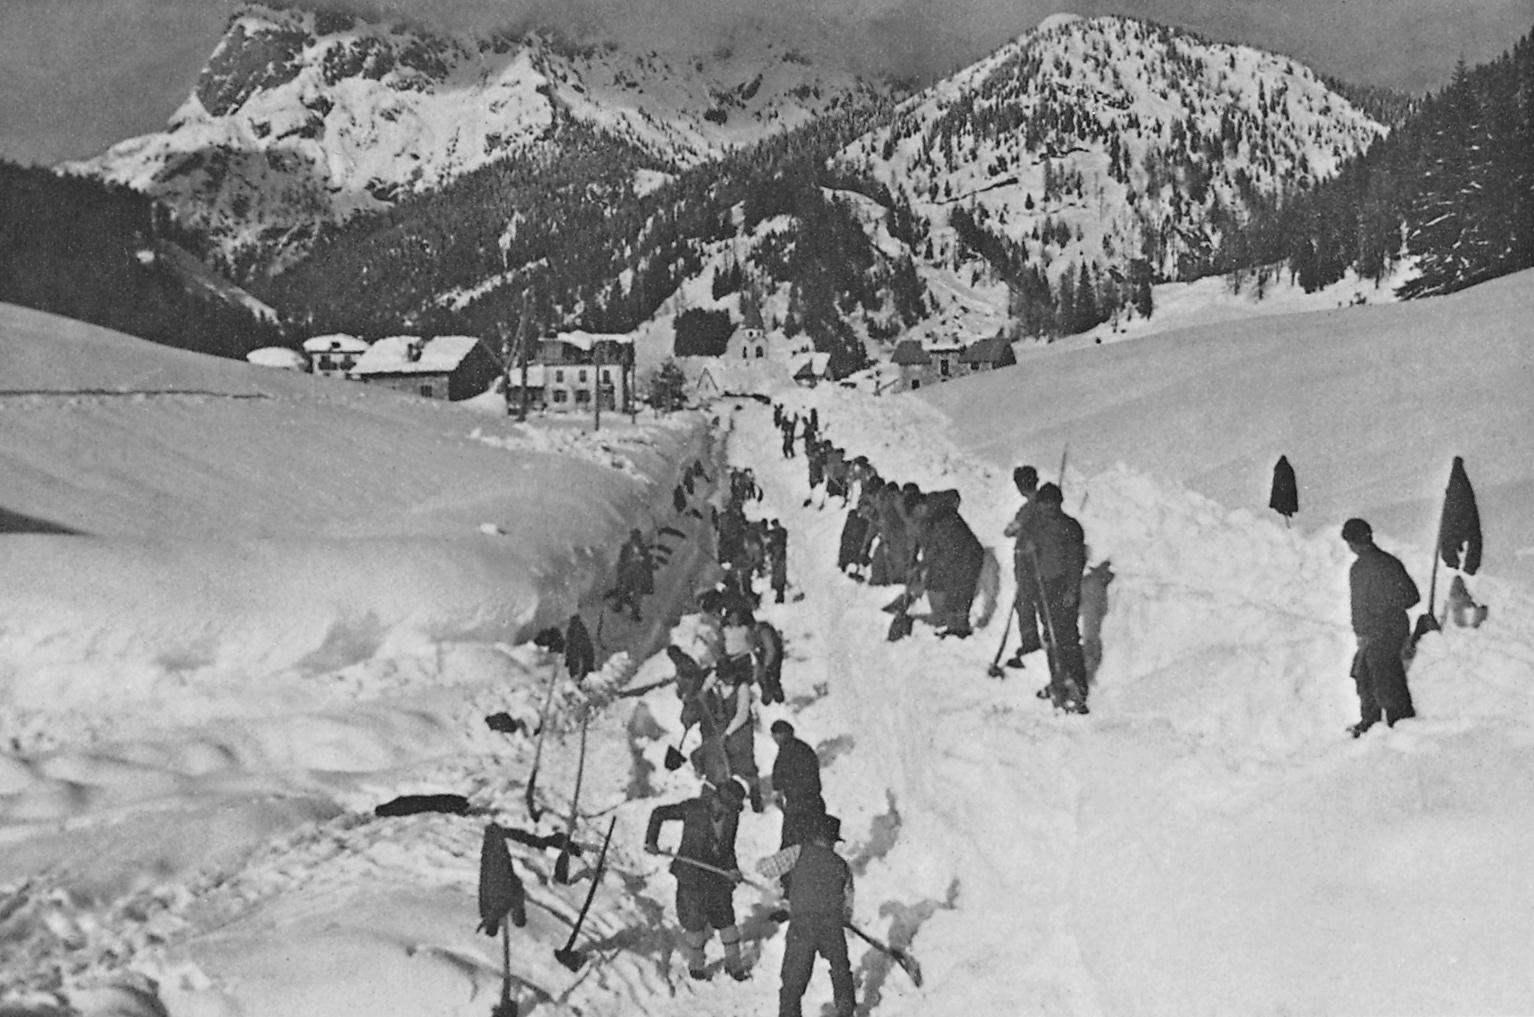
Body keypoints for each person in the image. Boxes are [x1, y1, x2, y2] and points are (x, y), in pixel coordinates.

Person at [645, 781, 750, 981]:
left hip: (717, 877)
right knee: (694, 924)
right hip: (691, 877)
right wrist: (651, 841)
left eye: (732, 809)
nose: (728, 812)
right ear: (717, 800)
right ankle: (696, 966)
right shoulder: (694, 808)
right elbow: (659, 813)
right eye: (726, 807)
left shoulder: (732, 817)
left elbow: (727, 849)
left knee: (727, 921)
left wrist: (733, 868)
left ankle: (734, 965)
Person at [757, 813, 855, 1017]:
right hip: (832, 926)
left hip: (803, 925)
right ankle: (845, 1009)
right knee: (840, 969)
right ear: (833, 841)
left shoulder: (799, 852)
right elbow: (847, 906)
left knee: (793, 980)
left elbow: (766, 869)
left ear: (813, 835)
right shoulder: (842, 866)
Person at [1343, 517, 1420, 735]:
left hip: (1378, 633)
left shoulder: (1359, 569)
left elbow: (1358, 606)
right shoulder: (1391, 562)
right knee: (1364, 673)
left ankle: (1398, 723)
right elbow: (1412, 597)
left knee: (1381, 676)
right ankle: (1374, 723)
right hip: (1397, 627)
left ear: (1353, 543)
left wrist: (1361, 632)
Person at [1024, 483, 1088, 712]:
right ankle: (1058, 681)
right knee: (1050, 635)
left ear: (1059, 504)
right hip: (1044, 586)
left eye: (1051, 506)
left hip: (1063, 586)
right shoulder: (1037, 526)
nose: (1047, 510)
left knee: (1067, 636)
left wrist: (1072, 590)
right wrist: (1029, 547)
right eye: (1043, 506)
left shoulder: (1070, 527)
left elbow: (1075, 562)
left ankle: (1077, 686)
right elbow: (1026, 546)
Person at [1001, 465, 1044, 667]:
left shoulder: (1030, 508)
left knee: (1026, 603)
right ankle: (1036, 643)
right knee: (1030, 603)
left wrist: (1015, 530)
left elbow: (1010, 530)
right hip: (1030, 562)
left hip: (1031, 563)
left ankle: (1031, 644)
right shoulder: (1036, 505)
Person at [769, 721, 824, 850]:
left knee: (790, 843)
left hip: (797, 804)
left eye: (775, 736)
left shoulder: (786, 750)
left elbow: (778, 773)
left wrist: (777, 794)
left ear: (781, 735)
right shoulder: (806, 748)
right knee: (813, 842)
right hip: (815, 801)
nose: (774, 740)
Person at [613, 529, 655, 621]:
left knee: (624, 588)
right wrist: (650, 584)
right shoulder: (643, 548)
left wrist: (619, 576)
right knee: (637, 593)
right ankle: (633, 613)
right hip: (639, 572)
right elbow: (648, 566)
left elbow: (621, 563)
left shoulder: (626, 547)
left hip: (630, 571)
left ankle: (618, 606)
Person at [768, 521, 789, 604]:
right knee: (780, 575)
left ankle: (779, 597)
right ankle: (779, 595)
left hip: (778, 557)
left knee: (778, 576)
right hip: (781, 556)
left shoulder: (775, 534)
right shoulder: (783, 531)